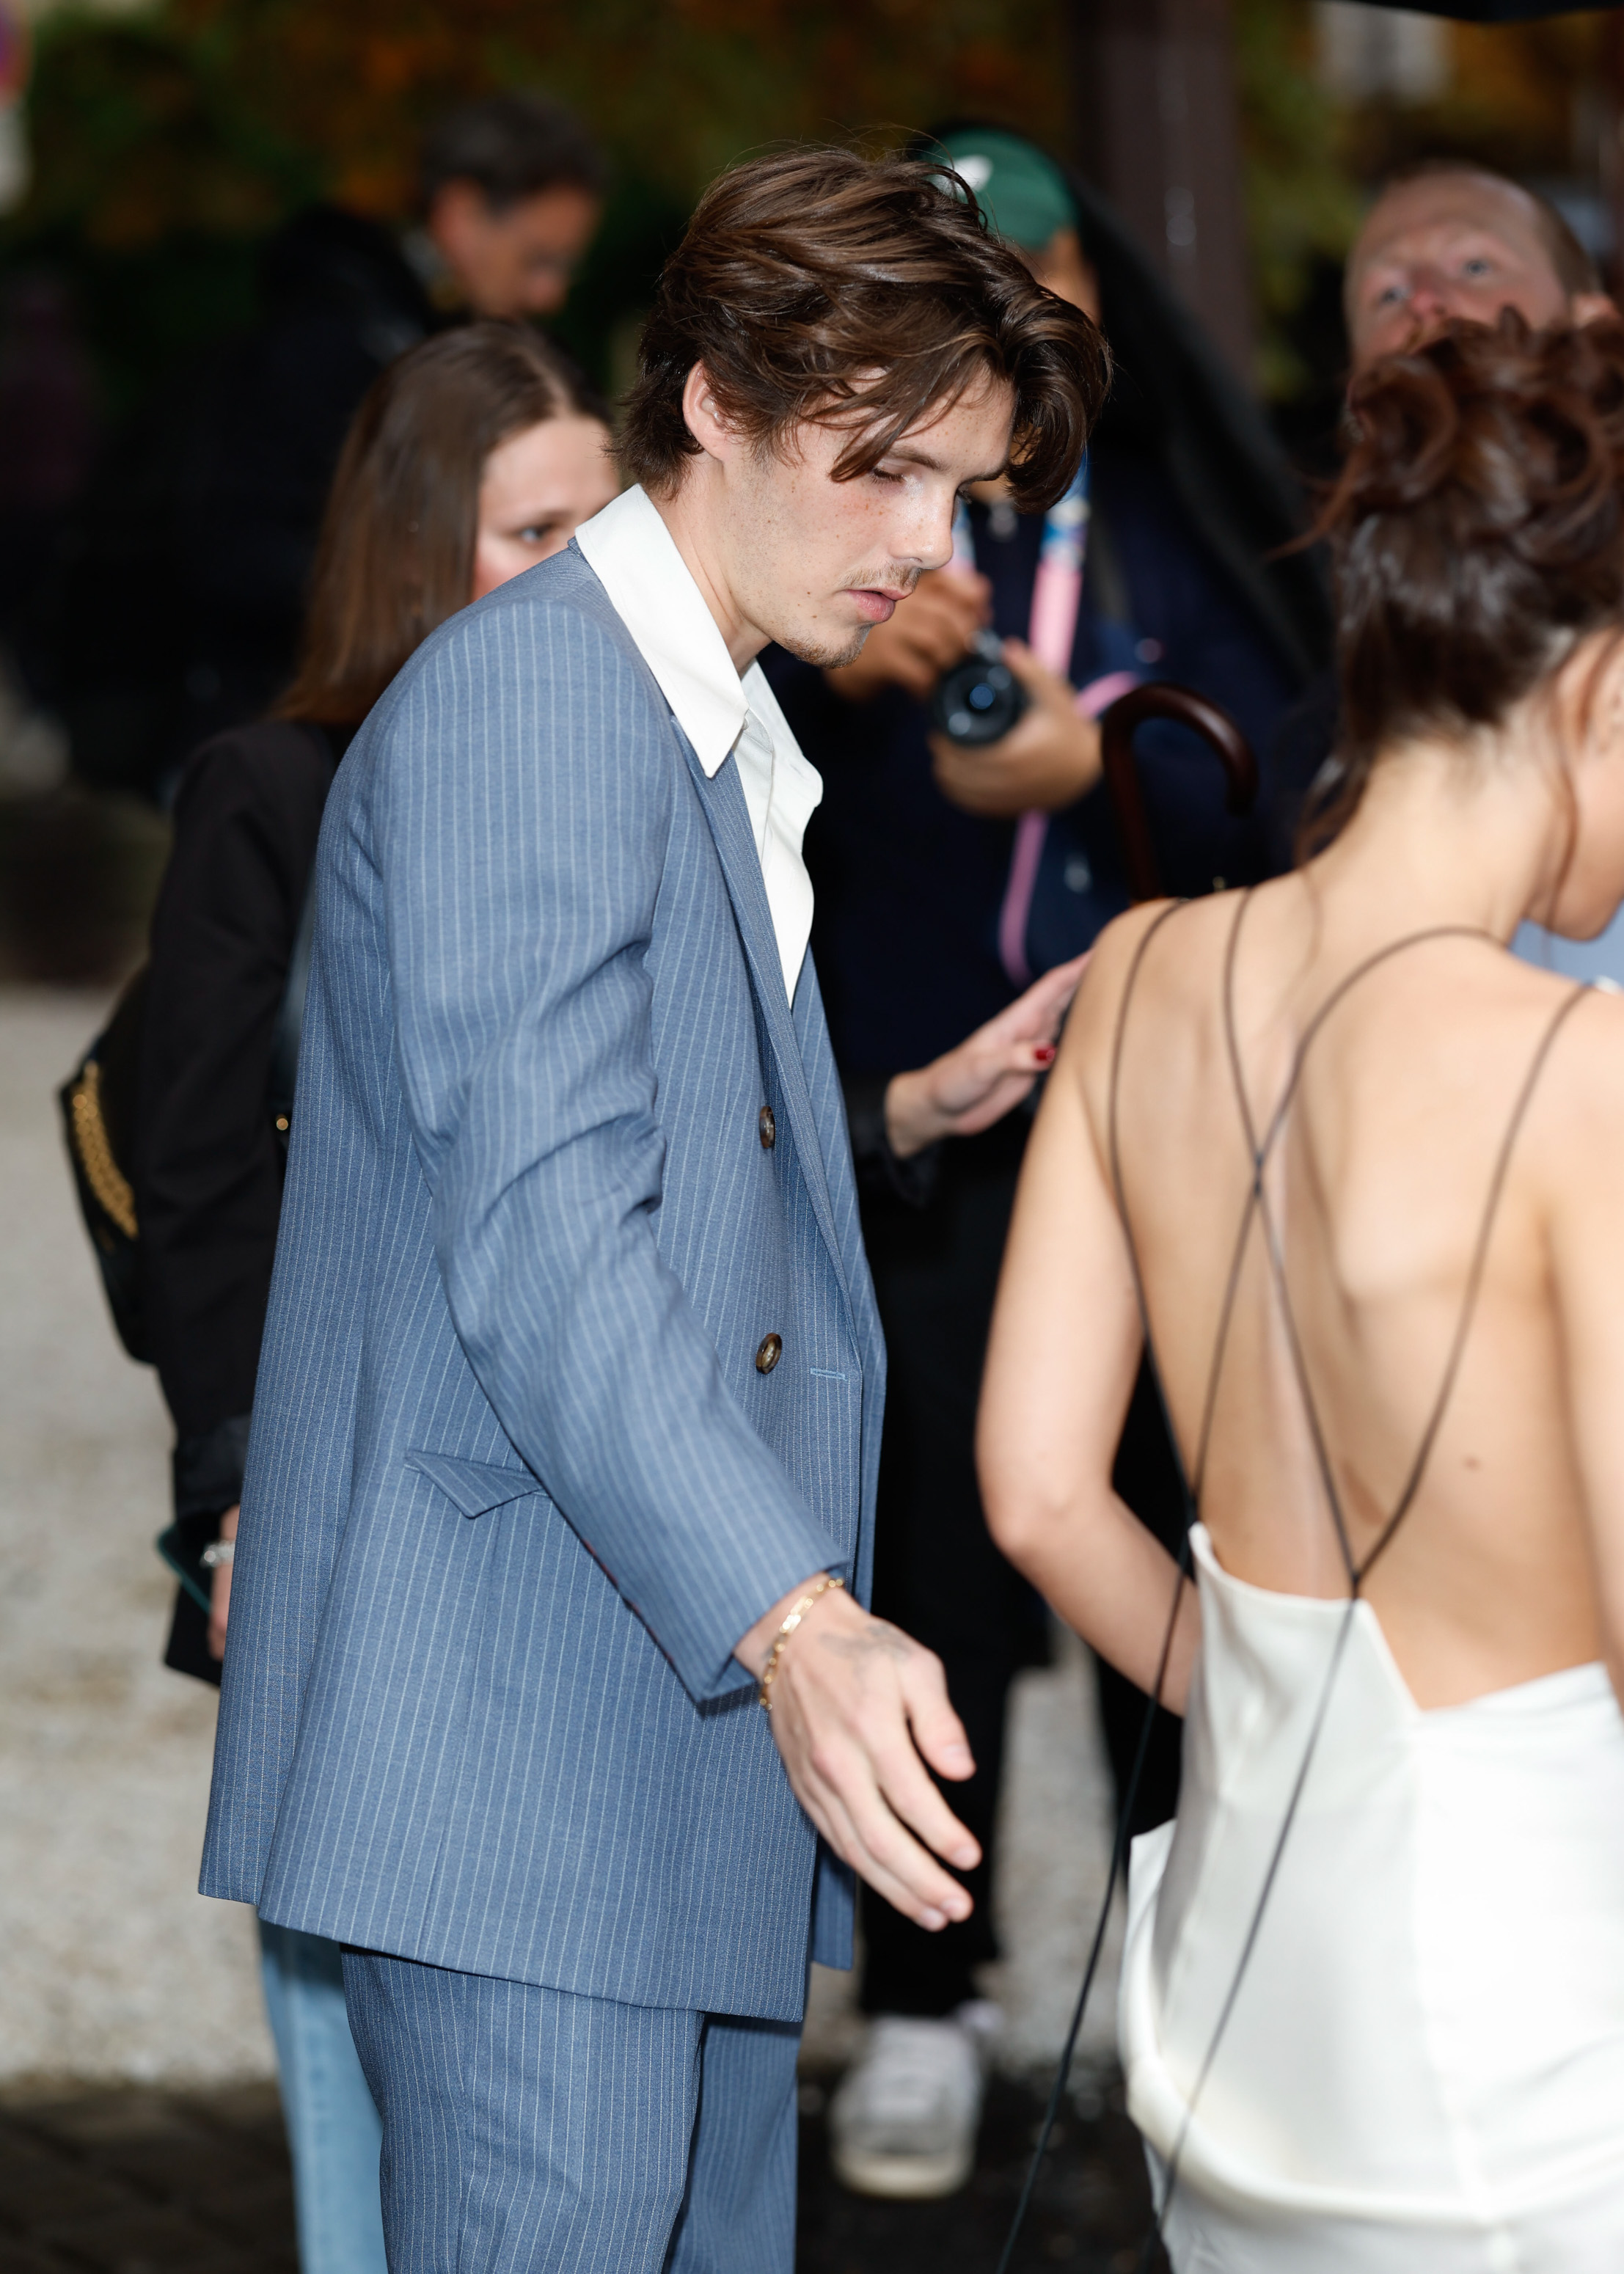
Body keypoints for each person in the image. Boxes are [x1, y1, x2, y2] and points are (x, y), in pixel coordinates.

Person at [197, 147, 1104, 2274]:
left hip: (632, 1752)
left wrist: (884, 1109)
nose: (922, 544)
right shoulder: (540, 705)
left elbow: (627, 1156)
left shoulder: (687, 709)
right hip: (533, 1761)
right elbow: (540, 1241)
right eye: (879, 466)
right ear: (709, 397)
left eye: (960, 492)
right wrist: (792, 1614)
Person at [980, 312, 1624, 2268]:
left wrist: (1273, 1697)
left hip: (1238, 1998)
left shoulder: (1147, 978)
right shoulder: (1576, 1070)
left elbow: (1029, 1491)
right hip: (1529, 2029)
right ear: (1590, 681)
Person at [763, 123, 1328, 2198]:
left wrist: (1088, 751)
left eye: (1029, 270)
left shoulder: (1181, 512)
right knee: (924, 1555)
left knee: (1175, 1546)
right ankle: (926, 1993)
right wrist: (840, 666)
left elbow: (1298, 770)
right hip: (928, 1117)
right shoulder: (838, 523)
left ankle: (1192, 1998)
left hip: (1178, 1131)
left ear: (1091, 283)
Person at [136, 321, 620, 2274]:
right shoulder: (273, 786)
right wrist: (238, 1484)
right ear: (423, 550)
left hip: (548, 1482)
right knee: (345, 2002)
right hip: (329, 1477)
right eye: (530, 533)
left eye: (601, 528)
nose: (577, 574)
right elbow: (193, 1163)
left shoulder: (627, 769)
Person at [48, 91, 604, 802]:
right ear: (463, 215)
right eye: (538, 259)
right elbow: (235, 550)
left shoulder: (398, 339)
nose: (550, 292)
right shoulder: (339, 349)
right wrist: (419, 594)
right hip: (283, 749)